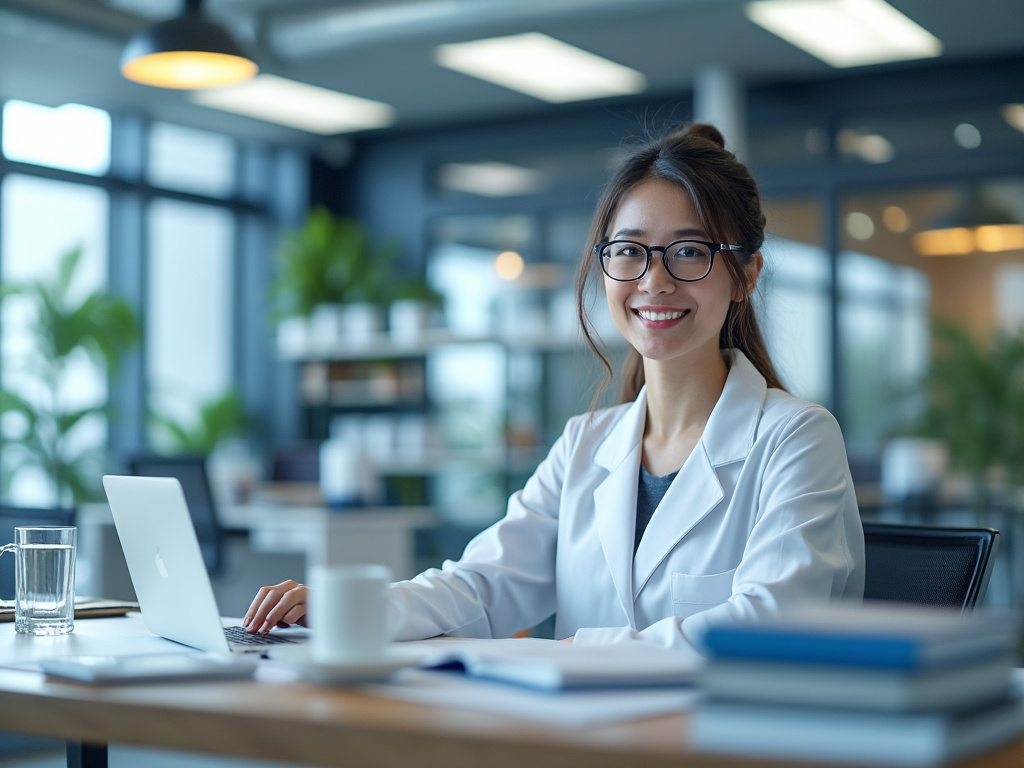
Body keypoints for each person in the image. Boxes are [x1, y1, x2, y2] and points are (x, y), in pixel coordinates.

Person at [244, 123, 865, 655]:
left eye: (688, 252)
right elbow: (482, 585)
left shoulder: (796, 438)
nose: (654, 280)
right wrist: (346, 608)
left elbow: (769, 624)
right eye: (629, 252)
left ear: (744, 275)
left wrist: (579, 650)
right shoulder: (585, 444)